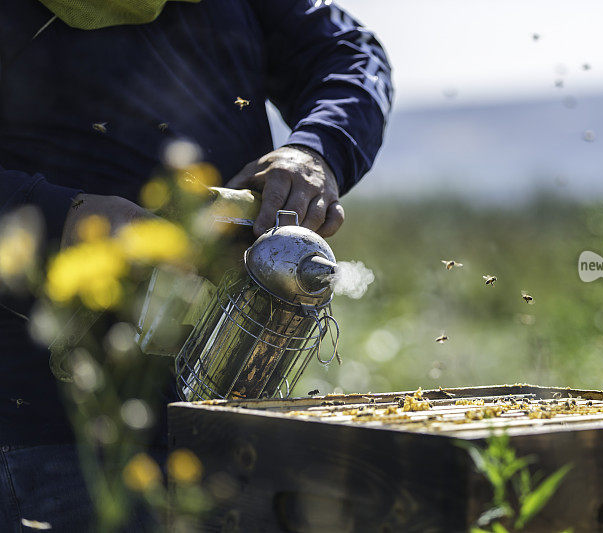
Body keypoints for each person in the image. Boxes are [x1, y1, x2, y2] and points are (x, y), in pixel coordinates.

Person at [0, 0, 392, 529]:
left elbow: (347, 52)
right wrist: (57, 218)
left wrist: (317, 150)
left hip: (234, 413)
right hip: (46, 430)